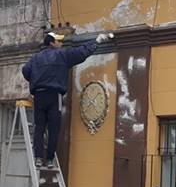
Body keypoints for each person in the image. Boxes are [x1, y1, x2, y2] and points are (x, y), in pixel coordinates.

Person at [21, 31, 112, 169]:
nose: (61, 43)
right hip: (54, 95)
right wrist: (97, 41)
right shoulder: (62, 55)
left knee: (39, 127)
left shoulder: (35, 58)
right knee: (54, 128)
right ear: (52, 43)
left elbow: (25, 70)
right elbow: (81, 52)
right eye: (58, 41)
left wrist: (36, 79)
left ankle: (38, 158)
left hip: (39, 95)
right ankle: (50, 159)